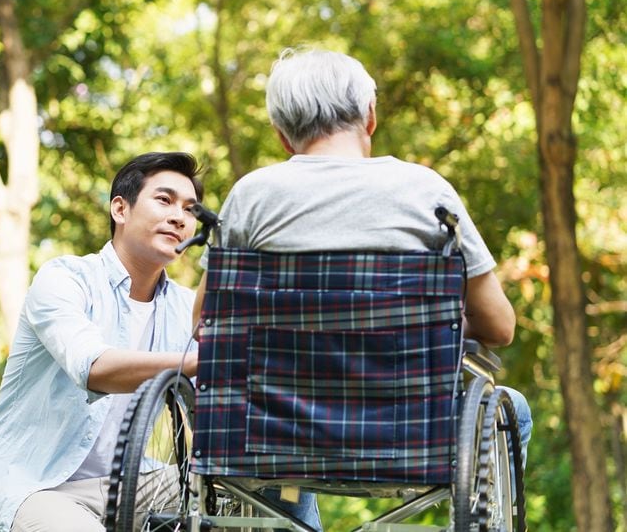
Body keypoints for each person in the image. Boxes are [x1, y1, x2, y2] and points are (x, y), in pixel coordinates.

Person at [194, 48, 533, 530]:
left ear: (281, 135)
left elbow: (205, 325)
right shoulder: (427, 193)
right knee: (513, 411)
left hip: (270, 437)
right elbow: (499, 327)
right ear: (370, 116)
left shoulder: (250, 197)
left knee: (248, 403)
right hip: (408, 436)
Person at [0, 152, 205, 532]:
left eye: (190, 210)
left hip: (125, 485)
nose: (179, 217)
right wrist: (195, 362)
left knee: (242, 490)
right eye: (164, 200)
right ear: (120, 209)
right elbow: (95, 368)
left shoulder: (184, 306)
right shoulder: (64, 279)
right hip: (33, 488)